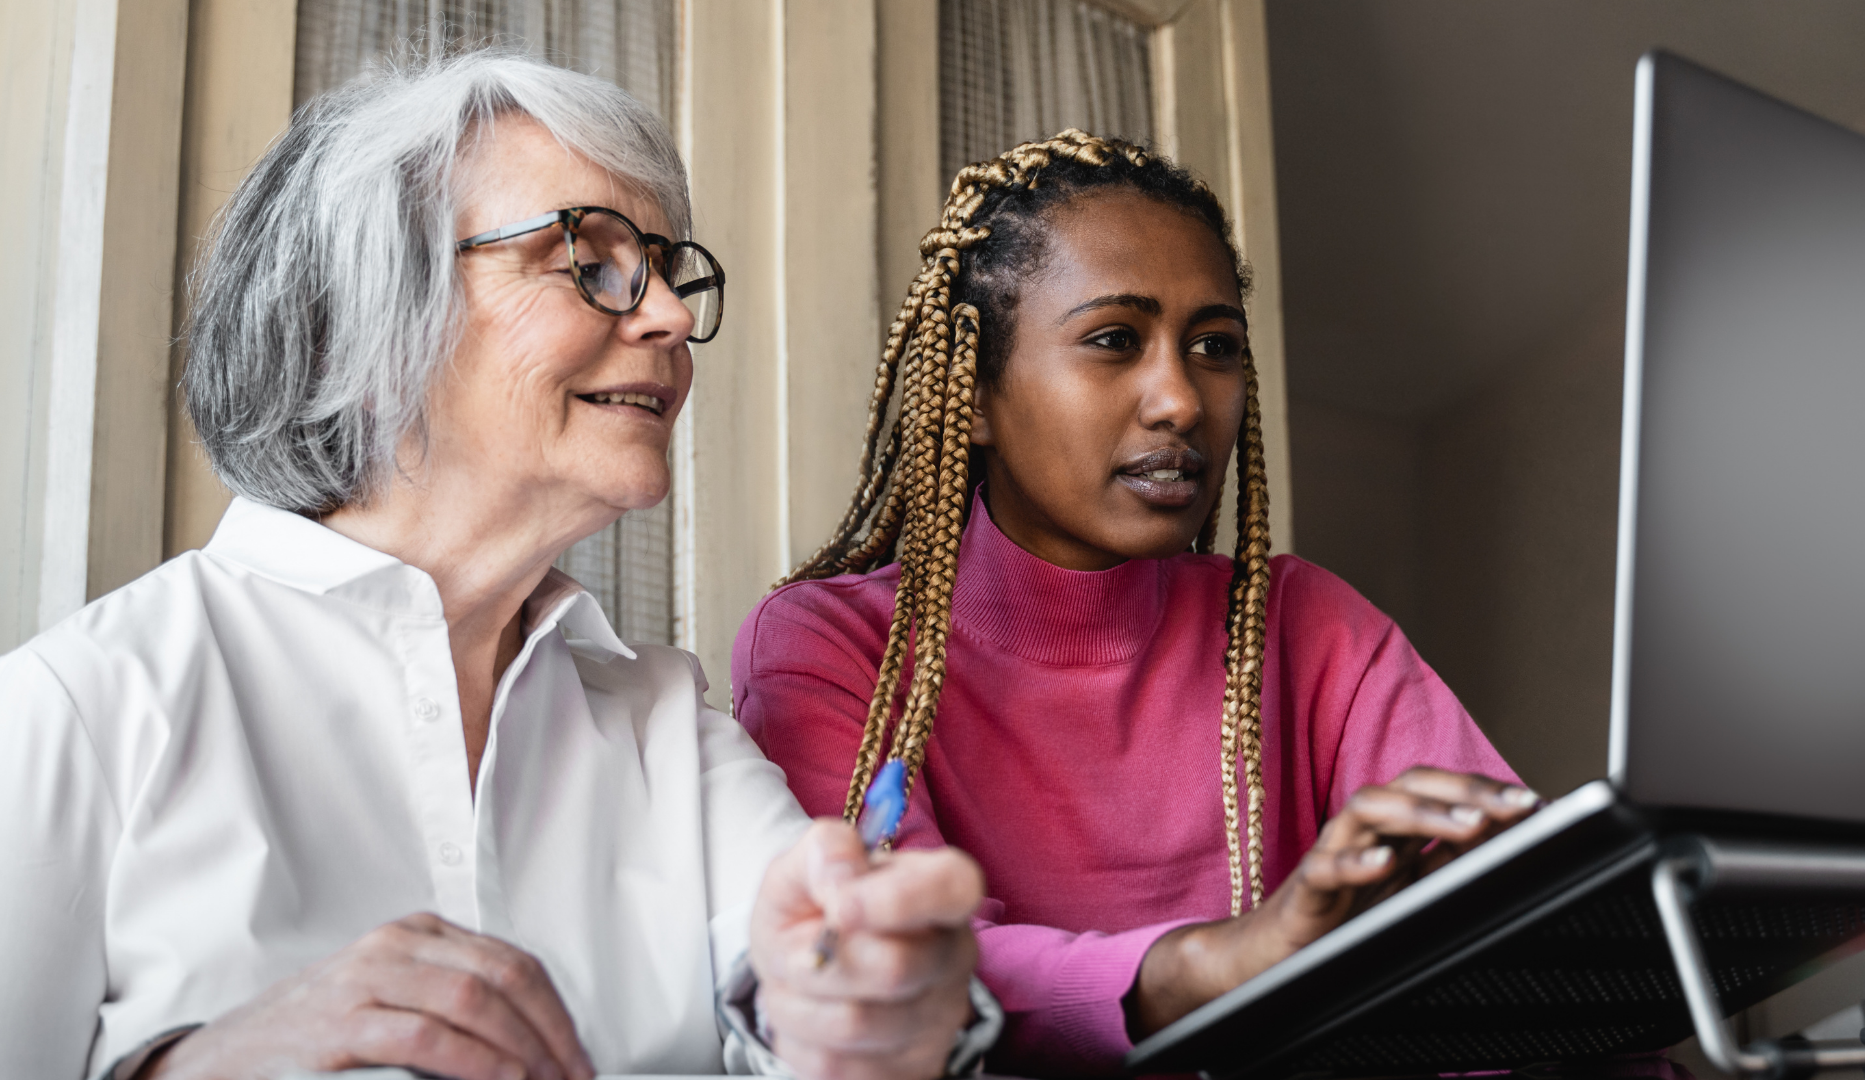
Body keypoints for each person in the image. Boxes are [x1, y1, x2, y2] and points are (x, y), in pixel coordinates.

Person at [0, 52, 997, 1080]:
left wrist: (864, 1010)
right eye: (594, 262)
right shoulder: (76, 711)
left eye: (666, 268)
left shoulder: (670, 738)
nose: (673, 317)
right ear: (372, 317)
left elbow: (824, 1002)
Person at [732, 131, 1536, 1076]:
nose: (1181, 401)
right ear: (975, 390)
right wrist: (1230, 956)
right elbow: (899, 963)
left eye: (1215, 347)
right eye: (1116, 340)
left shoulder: (1303, 623)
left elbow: (1514, 935)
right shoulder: (834, 646)